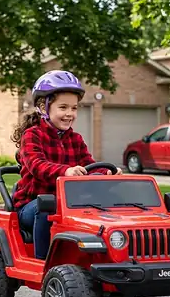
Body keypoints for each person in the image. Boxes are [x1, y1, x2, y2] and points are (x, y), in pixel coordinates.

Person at [10, 70, 122, 260]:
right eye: (63, 107)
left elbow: (89, 165)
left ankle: (105, 253)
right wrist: (66, 171)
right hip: (31, 206)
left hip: (68, 204)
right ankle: (45, 262)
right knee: (48, 205)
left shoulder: (75, 139)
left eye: (74, 108)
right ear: (43, 107)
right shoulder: (32, 136)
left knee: (104, 201)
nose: (70, 114)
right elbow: (37, 165)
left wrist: (108, 172)